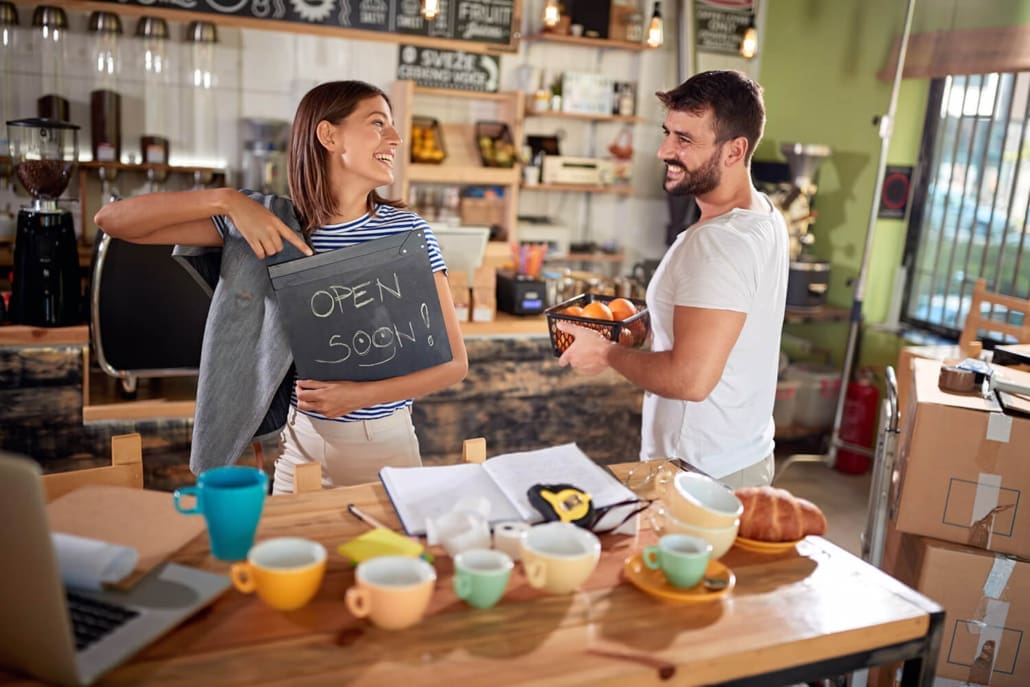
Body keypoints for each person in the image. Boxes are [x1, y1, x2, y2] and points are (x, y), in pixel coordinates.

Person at [95, 80, 469, 493]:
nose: (395, 139)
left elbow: (454, 364)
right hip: (299, 452)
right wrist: (227, 201)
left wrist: (358, 397)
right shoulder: (269, 225)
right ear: (328, 135)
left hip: (386, 449)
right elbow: (114, 221)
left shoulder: (406, 232)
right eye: (378, 123)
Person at [557, 70, 787, 488]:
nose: (664, 150)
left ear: (735, 150)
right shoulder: (765, 216)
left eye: (684, 140)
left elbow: (690, 380)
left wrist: (605, 354)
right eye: (667, 133)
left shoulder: (718, 244)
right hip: (741, 456)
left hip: (698, 471)